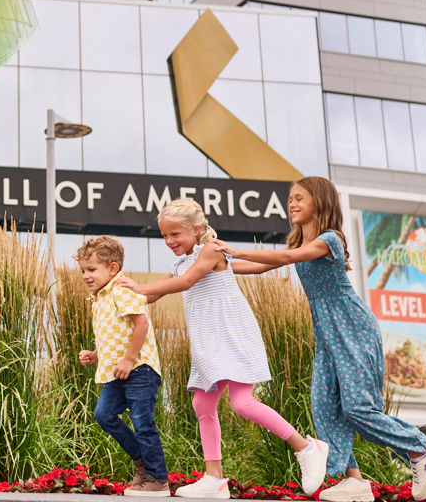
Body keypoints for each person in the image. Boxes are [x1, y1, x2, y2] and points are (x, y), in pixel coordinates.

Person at [214, 176, 426, 502]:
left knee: (358, 409)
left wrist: (232, 249)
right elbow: (257, 268)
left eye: (299, 198)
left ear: (320, 202)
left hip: (352, 330)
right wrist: (220, 265)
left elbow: (283, 259)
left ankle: (421, 449)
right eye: (290, 198)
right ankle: (355, 481)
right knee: (324, 407)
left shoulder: (330, 240)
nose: (292, 204)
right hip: (326, 336)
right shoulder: (299, 246)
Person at [123, 199, 328, 499]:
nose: (169, 241)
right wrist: (122, 294)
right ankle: (214, 478)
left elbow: (186, 282)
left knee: (243, 403)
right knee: (202, 405)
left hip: (231, 335)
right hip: (208, 341)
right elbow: (156, 293)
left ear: (195, 229)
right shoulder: (180, 262)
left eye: (175, 235)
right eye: (164, 236)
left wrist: (141, 287)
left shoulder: (210, 250)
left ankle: (307, 447)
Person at [75, 235, 170, 497]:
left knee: (142, 422)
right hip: (116, 371)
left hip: (138, 368)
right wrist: (96, 353)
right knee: (103, 415)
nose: (86, 275)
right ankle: (142, 463)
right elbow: (116, 332)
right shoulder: (99, 297)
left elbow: (141, 324)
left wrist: (129, 359)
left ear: (113, 268)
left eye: (92, 269)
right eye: (83, 270)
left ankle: (157, 479)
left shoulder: (120, 289)